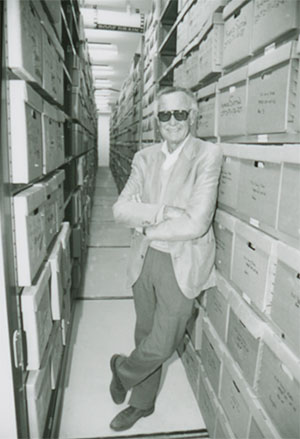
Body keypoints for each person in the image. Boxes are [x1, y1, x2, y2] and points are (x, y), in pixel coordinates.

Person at [109, 86, 223, 431]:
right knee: (145, 332)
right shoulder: (144, 158)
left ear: (193, 115)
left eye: (180, 113)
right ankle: (142, 404)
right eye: (164, 114)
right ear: (157, 120)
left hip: (183, 261)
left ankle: (123, 369)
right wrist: (163, 211)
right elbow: (119, 209)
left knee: (164, 341)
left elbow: (196, 222)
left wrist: (147, 225)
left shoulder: (208, 154)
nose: (172, 121)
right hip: (144, 260)